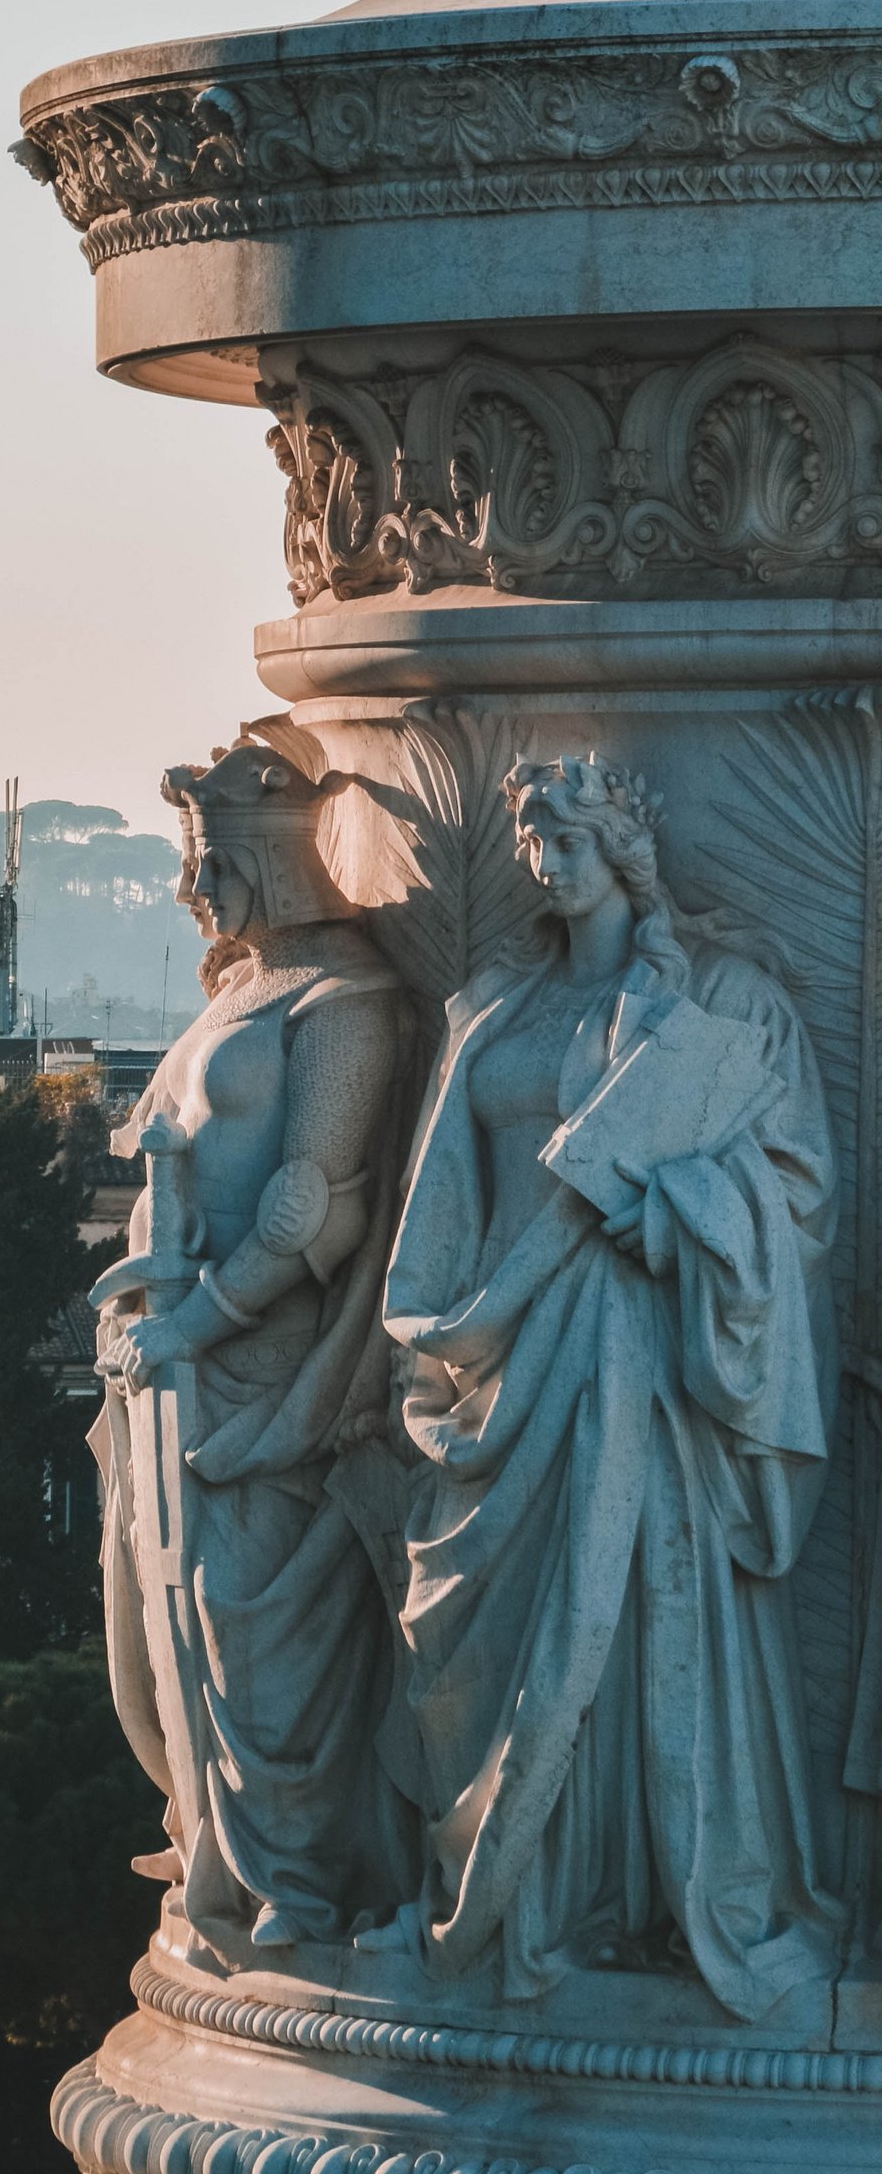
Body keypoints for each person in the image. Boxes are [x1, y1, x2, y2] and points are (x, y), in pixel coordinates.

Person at [371, 753, 841, 2017]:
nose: (544, 860)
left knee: (639, 1623)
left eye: (567, 837)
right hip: (499, 1366)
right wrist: (444, 1336)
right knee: (501, 1643)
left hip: (642, 1363)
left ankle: (636, 1902)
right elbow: (439, 1208)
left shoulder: (722, 1001)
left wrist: (678, 1216)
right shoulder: (492, 1008)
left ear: (626, 848)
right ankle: (516, 1904)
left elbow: (797, 1194)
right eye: (530, 837)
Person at [94, 730, 413, 1957]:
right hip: (164, 1369)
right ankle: (212, 1849)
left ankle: (304, 1887)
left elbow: (307, 1210)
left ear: (274, 862)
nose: (194, 891)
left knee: (249, 1632)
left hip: (259, 1379)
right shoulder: (244, 992)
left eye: (212, 862)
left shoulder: (350, 1007)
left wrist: (195, 1322)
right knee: (153, 1635)